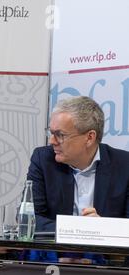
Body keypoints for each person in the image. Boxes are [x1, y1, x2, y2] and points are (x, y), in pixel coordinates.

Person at [28, 96, 129, 231]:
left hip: (105, 252)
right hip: (55, 250)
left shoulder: (124, 165)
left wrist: (104, 228)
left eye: (60, 135)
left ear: (89, 138)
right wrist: (80, 228)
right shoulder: (43, 159)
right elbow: (30, 218)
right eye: (51, 133)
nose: (51, 141)